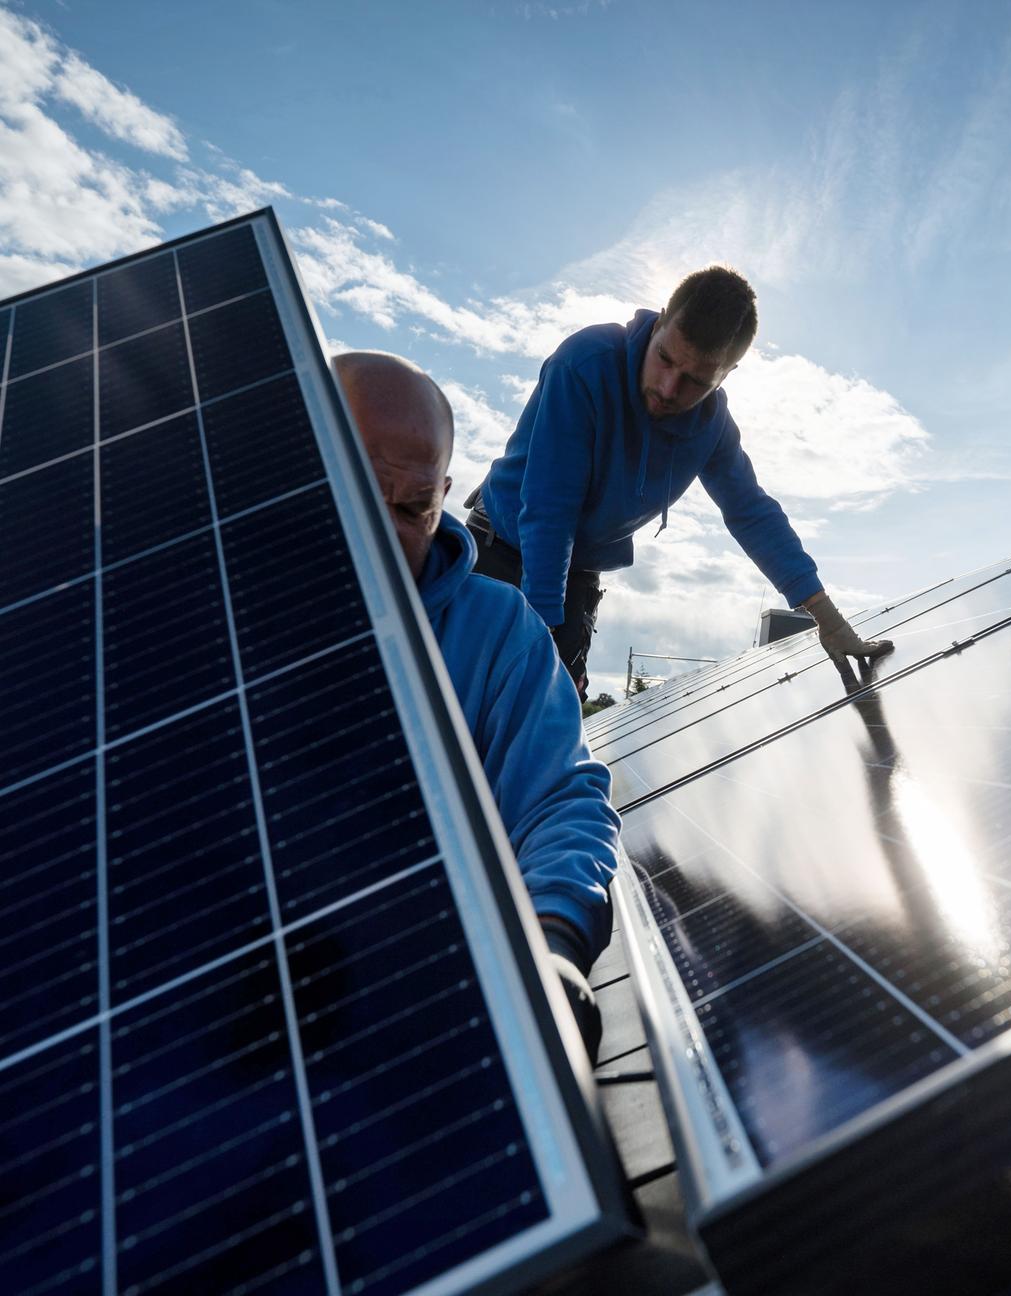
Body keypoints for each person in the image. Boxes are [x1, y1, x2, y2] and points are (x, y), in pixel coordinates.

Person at [333, 351, 618, 1060]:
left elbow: (559, 799)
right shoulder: (197, 609)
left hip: (411, 1020)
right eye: (364, 494)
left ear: (446, 494)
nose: (390, 534)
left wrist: (551, 945)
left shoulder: (498, 633)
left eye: (414, 507)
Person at [465, 266, 893, 698]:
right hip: (500, 552)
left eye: (696, 380)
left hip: (576, 573)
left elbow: (751, 512)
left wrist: (829, 619)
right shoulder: (585, 364)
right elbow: (550, 507)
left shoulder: (713, 426)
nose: (669, 389)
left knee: (549, 727)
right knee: (476, 704)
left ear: (727, 373)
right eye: (665, 359)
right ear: (661, 319)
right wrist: (542, 637)